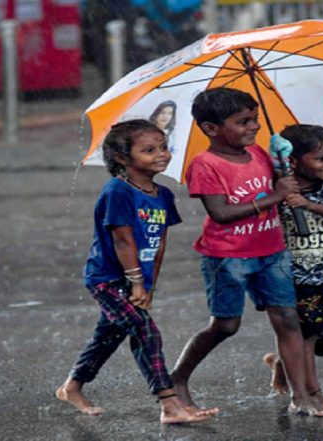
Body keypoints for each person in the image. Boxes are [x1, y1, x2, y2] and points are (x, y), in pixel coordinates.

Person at [169, 87, 323, 417]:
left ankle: (300, 395)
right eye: (243, 122)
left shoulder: (257, 153)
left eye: (255, 119)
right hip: (228, 257)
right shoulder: (205, 165)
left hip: (273, 250)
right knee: (226, 326)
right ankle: (177, 379)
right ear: (211, 128)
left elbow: (285, 185)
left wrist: (284, 163)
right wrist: (275, 196)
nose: (254, 126)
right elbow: (221, 213)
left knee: (288, 320)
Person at [55, 119, 217, 423]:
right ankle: (169, 404)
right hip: (107, 279)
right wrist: (136, 283)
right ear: (122, 158)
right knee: (145, 330)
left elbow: (159, 243)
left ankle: (71, 386)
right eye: (149, 150)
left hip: (138, 279)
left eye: (164, 147)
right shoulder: (118, 191)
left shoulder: (163, 194)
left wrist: (150, 284)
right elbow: (122, 238)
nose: (162, 154)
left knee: (110, 334)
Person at [263, 124, 323, 415]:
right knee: (307, 335)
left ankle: (283, 361)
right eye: (321, 158)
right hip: (298, 278)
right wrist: (282, 193)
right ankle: (310, 393)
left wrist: (304, 204)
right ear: (293, 161)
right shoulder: (280, 188)